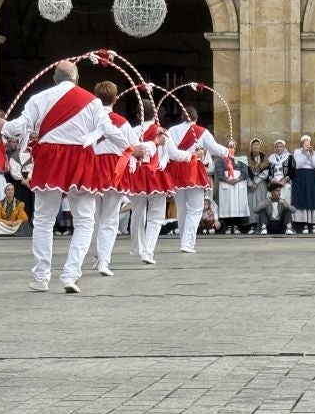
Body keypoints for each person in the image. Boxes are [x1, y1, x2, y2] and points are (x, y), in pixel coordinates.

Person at [0, 60, 145, 293]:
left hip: (50, 159)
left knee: (44, 220)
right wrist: (129, 147)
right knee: (85, 220)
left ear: (54, 79)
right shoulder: (93, 102)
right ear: (77, 80)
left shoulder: (40, 98)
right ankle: (71, 275)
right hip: (81, 159)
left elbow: (20, 126)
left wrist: (3, 126)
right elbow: (108, 130)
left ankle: (41, 277)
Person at [88, 81, 143, 278]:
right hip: (113, 168)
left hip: (92, 168)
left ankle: (96, 255)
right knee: (109, 218)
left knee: (93, 217)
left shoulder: (88, 118)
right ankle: (104, 260)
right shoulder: (120, 121)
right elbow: (136, 148)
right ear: (115, 98)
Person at [127, 99, 191, 265]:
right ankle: (148, 252)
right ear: (155, 114)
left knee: (137, 212)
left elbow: (128, 151)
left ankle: (137, 248)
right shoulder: (162, 132)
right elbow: (175, 154)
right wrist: (190, 156)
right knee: (156, 215)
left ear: (137, 114)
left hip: (138, 175)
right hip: (156, 175)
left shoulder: (132, 131)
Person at [166, 106, 230, 254]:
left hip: (176, 170)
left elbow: (168, 151)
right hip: (193, 170)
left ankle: (184, 240)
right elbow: (214, 148)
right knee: (195, 209)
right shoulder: (202, 132)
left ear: (182, 116)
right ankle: (187, 243)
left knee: (182, 208)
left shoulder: (172, 131)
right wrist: (227, 151)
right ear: (196, 118)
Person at [215, 141, 249, 234]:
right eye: (229, 146)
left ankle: (237, 226)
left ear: (236, 148)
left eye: (233, 147)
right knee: (228, 204)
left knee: (238, 204)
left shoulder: (241, 159)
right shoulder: (221, 159)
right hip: (226, 184)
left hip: (239, 184)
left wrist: (238, 179)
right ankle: (229, 226)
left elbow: (245, 172)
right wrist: (227, 180)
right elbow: (219, 172)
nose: (231, 148)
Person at [245, 138, 271, 235]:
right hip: (251, 185)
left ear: (260, 146)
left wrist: (257, 181)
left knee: (261, 203)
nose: (256, 146)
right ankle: (252, 225)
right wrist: (250, 183)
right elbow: (245, 172)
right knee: (251, 204)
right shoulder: (247, 159)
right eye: (254, 145)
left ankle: (262, 224)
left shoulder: (264, 158)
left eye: (257, 144)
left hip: (261, 183)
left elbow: (266, 172)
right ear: (251, 147)